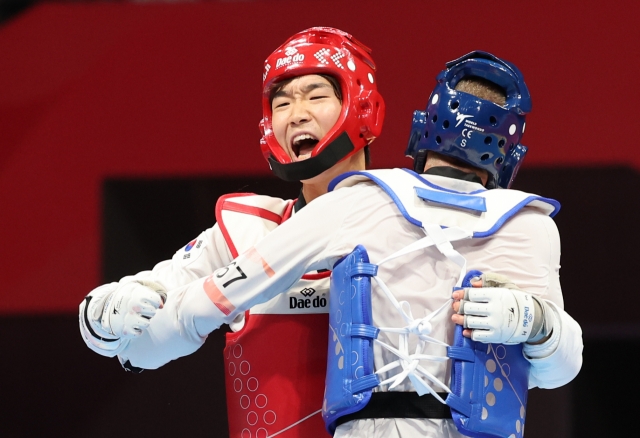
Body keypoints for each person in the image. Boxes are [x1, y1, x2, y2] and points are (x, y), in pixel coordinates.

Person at [144, 51, 583, 438]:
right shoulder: (530, 225)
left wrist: (149, 335)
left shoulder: (360, 199)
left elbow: (225, 290)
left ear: (422, 128)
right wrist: (539, 324)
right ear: (510, 153)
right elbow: (558, 370)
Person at [79, 27, 385, 437]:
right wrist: (106, 318)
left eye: (315, 96)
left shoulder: (417, 217)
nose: (296, 114)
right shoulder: (246, 230)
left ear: (362, 106)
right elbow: (139, 347)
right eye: (281, 102)